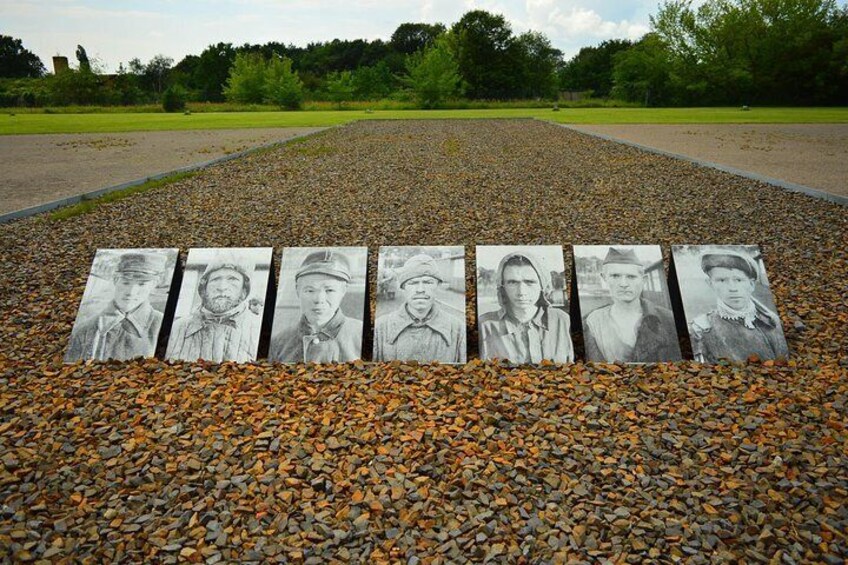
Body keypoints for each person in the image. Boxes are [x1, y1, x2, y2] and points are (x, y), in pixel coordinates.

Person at [583, 247, 681, 363]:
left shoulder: (668, 319)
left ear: (643, 280)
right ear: (604, 278)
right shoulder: (592, 322)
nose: (623, 284)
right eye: (615, 276)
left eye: (631, 277)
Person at [690, 250, 789, 362]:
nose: (733, 288)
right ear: (710, 284)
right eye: (722, 280)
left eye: (738, 280)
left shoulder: (773, 320)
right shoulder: (701, 329)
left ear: (751, 284)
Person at [66, 252, 167, 362]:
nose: (131, 292)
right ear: (115, 280)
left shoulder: (164, 326)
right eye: (126, 283)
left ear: (154, 285)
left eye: (141, 284)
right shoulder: (86, 329)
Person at [478, 251, 573, 364]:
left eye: (530, 282)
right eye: (512, 282)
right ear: (503, 287)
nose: (521, 292)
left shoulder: (562, 320)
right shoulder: (485, 325)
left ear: (542, 285)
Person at [269, 250, 363, 363]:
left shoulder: (362, 336)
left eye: (329, 290)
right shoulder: (278, 343)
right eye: (309, 290)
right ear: (298, 291)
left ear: (343, 291)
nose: (319, 300)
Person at [373, 253, 466, 363]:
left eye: (427, 282)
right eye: (413, 283)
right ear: (403, 287)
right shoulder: (380, 328)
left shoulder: (458, 329)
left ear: (438, 286)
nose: (420, 289)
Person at [166, 258, 262, 363]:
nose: (222, 287)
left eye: (233, 280)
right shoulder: (179, 327)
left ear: (244, 291)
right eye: (215, 279)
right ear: (203, 288)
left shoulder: (258, 330)